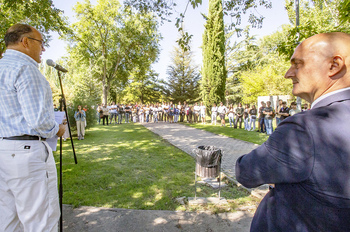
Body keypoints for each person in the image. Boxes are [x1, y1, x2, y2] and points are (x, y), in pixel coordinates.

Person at [236, 32, 350, 231]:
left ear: (334, 65)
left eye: (298, 64)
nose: (288, 73)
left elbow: (245, 172)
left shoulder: (305, 129)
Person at [0, 24, 65, 231]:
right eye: (41, 43)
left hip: (3, 151)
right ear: (25, 42)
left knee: (8, 219)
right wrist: (58, 129)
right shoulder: (26, 69)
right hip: (27, 156)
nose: (43, 49)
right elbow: (39, 121)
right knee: (41, 221)